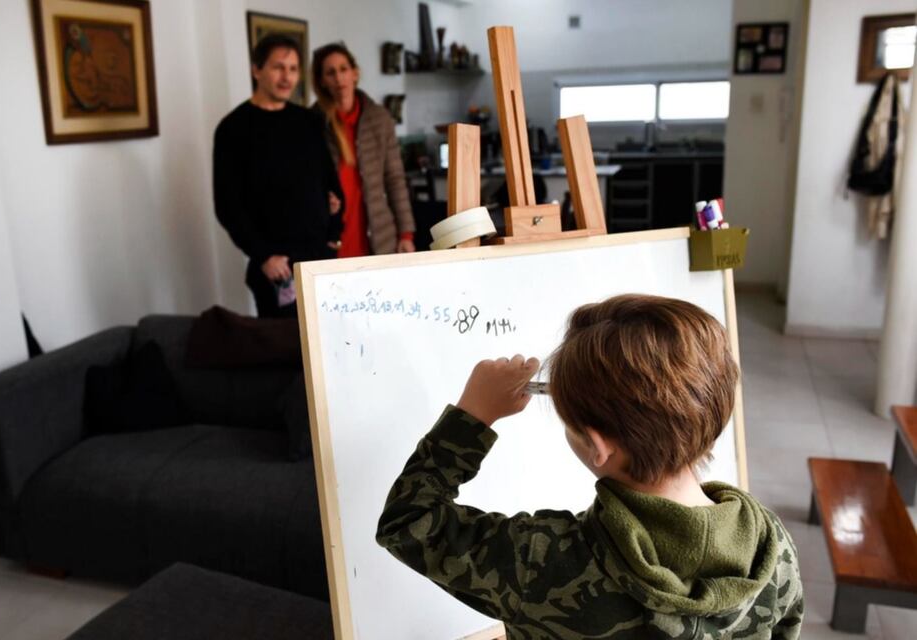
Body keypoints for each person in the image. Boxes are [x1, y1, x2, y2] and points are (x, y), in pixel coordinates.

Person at [376, 294, 804, 639]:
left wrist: (472, 416)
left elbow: (408, 521)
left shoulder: (544, 562)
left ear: (598, 446)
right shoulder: (772, 547)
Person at [214, 34, 343, 317]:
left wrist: (333, 236)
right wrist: (263, 256)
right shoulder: (233, 129)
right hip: (277, 267)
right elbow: (227, 206)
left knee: (332, 340)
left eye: (293, 69)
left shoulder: (309, 121)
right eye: (278, 67)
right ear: (256, 70)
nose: (287, 77)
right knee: (282, 343)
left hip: (320, 261)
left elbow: (331, 184)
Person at [311, 43, 415, 257]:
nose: (338, 78)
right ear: (322, 81)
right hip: (329, 236)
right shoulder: (312, 122)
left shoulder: (379, 118)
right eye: (330, 72)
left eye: (343, 69)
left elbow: (395, 178)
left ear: (355, 73)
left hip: (378, 234)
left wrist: (406, 234)